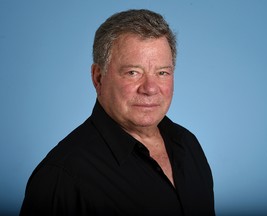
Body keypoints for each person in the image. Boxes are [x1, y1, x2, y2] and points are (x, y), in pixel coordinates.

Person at [20, 9, 215, 216]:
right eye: (133, 72)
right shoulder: (62, 177)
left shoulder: (188, 144)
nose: (150, 88)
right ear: (98, 77)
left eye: (162, 73)